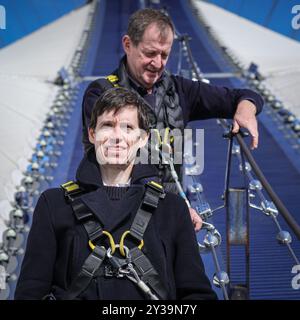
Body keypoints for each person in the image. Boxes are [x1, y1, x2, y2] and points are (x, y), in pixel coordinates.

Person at [15, 87, 217, 300]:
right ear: (92, 134)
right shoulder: (54, 205)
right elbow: (30, 291)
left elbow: (196, 293)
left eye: (128, 127)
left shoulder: (171, 209)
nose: (117, 137)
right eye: (107, 126)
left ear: (142, 139)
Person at [81, 8, 264, 232]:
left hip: (167, 216)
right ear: (128, 44)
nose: (157, 63)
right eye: (150, 53)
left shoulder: (179, 91)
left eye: (164, 55)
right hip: (115, 216)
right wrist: (171, 206)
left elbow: (243, 96)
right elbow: (114, 160)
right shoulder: (101, 94)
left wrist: (245, 109)